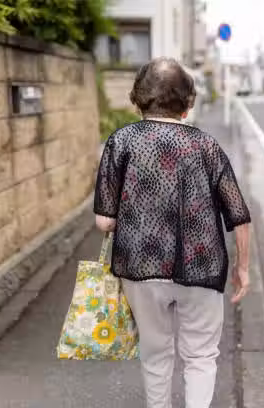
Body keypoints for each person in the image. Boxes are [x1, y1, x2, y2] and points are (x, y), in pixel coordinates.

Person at [93, 57, 251, 408]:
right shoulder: (207, 146)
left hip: (140, 268)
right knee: (201, 356)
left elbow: (104, 222)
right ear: (187, 104)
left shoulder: (121, 142)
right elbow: (239, 215)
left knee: (155, 354)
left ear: (137, 100)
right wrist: (243, 268)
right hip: (202, 267)